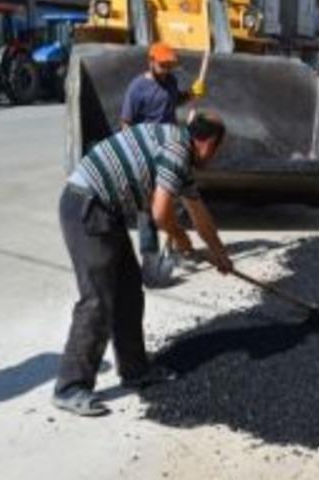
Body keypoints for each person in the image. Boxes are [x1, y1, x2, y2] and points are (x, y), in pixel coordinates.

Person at [53, 112, 232, 416]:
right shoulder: (177, 151)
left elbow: (199, 214)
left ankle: (135, 369)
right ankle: (70, 387)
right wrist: (179, 236)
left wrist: (219, 254)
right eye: (216, 150)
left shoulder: (178, 148)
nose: (214, 158)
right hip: (86, 206)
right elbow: (161, 213)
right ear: (208, 143)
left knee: (128, 291)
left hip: (104, 211)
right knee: (98, 299)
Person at [119, 42, 206, 287]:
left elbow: (172, 102)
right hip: (145, 153)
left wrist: (192, 94)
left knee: (174, 205)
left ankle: (178, 250)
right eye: (163, 64)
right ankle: (150, 261)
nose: (167, 69)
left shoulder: (170, 82)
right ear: (150, 61)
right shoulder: (137, 88)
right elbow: (126, 123)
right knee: (147, 211)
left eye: (170, 65)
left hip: (169, 150)